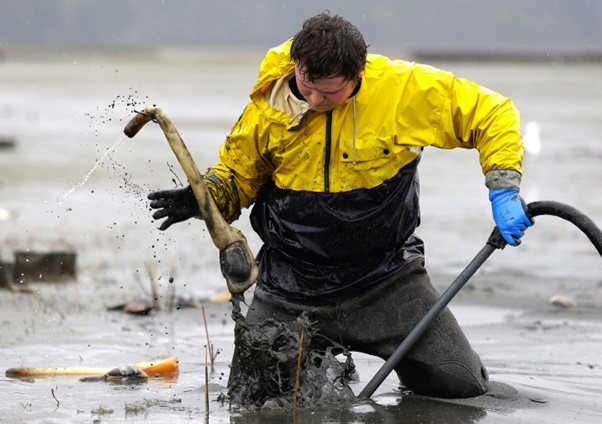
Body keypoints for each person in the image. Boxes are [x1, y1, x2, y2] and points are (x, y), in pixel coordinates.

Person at [148, 12, 533, 398]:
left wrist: (503, 188)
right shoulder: (267, 107)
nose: (315, 100)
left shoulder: (404, 90)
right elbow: (236, 178)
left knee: (460, 387)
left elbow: (492, 113)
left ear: (359, 74)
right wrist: (203, 197)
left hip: (388, 281)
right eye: (307, 86)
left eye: (330, 93)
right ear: (297, 65)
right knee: (252, 403)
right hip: (289, 288)